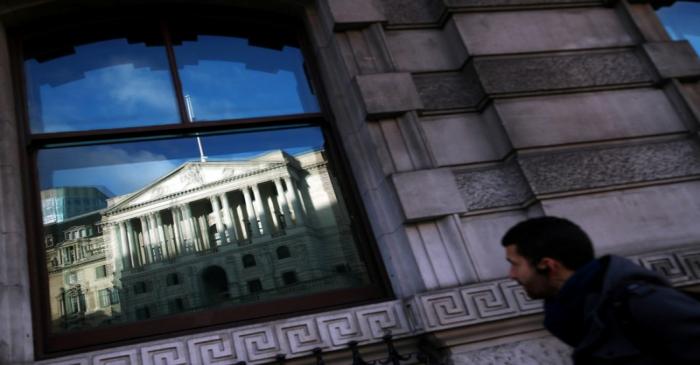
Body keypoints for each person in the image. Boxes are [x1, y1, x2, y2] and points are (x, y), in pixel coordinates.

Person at [501, 216, 700, 364]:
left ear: (547, 265)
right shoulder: (579, 312)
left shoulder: (643, 303)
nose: (512, 275)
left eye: (515, 264)